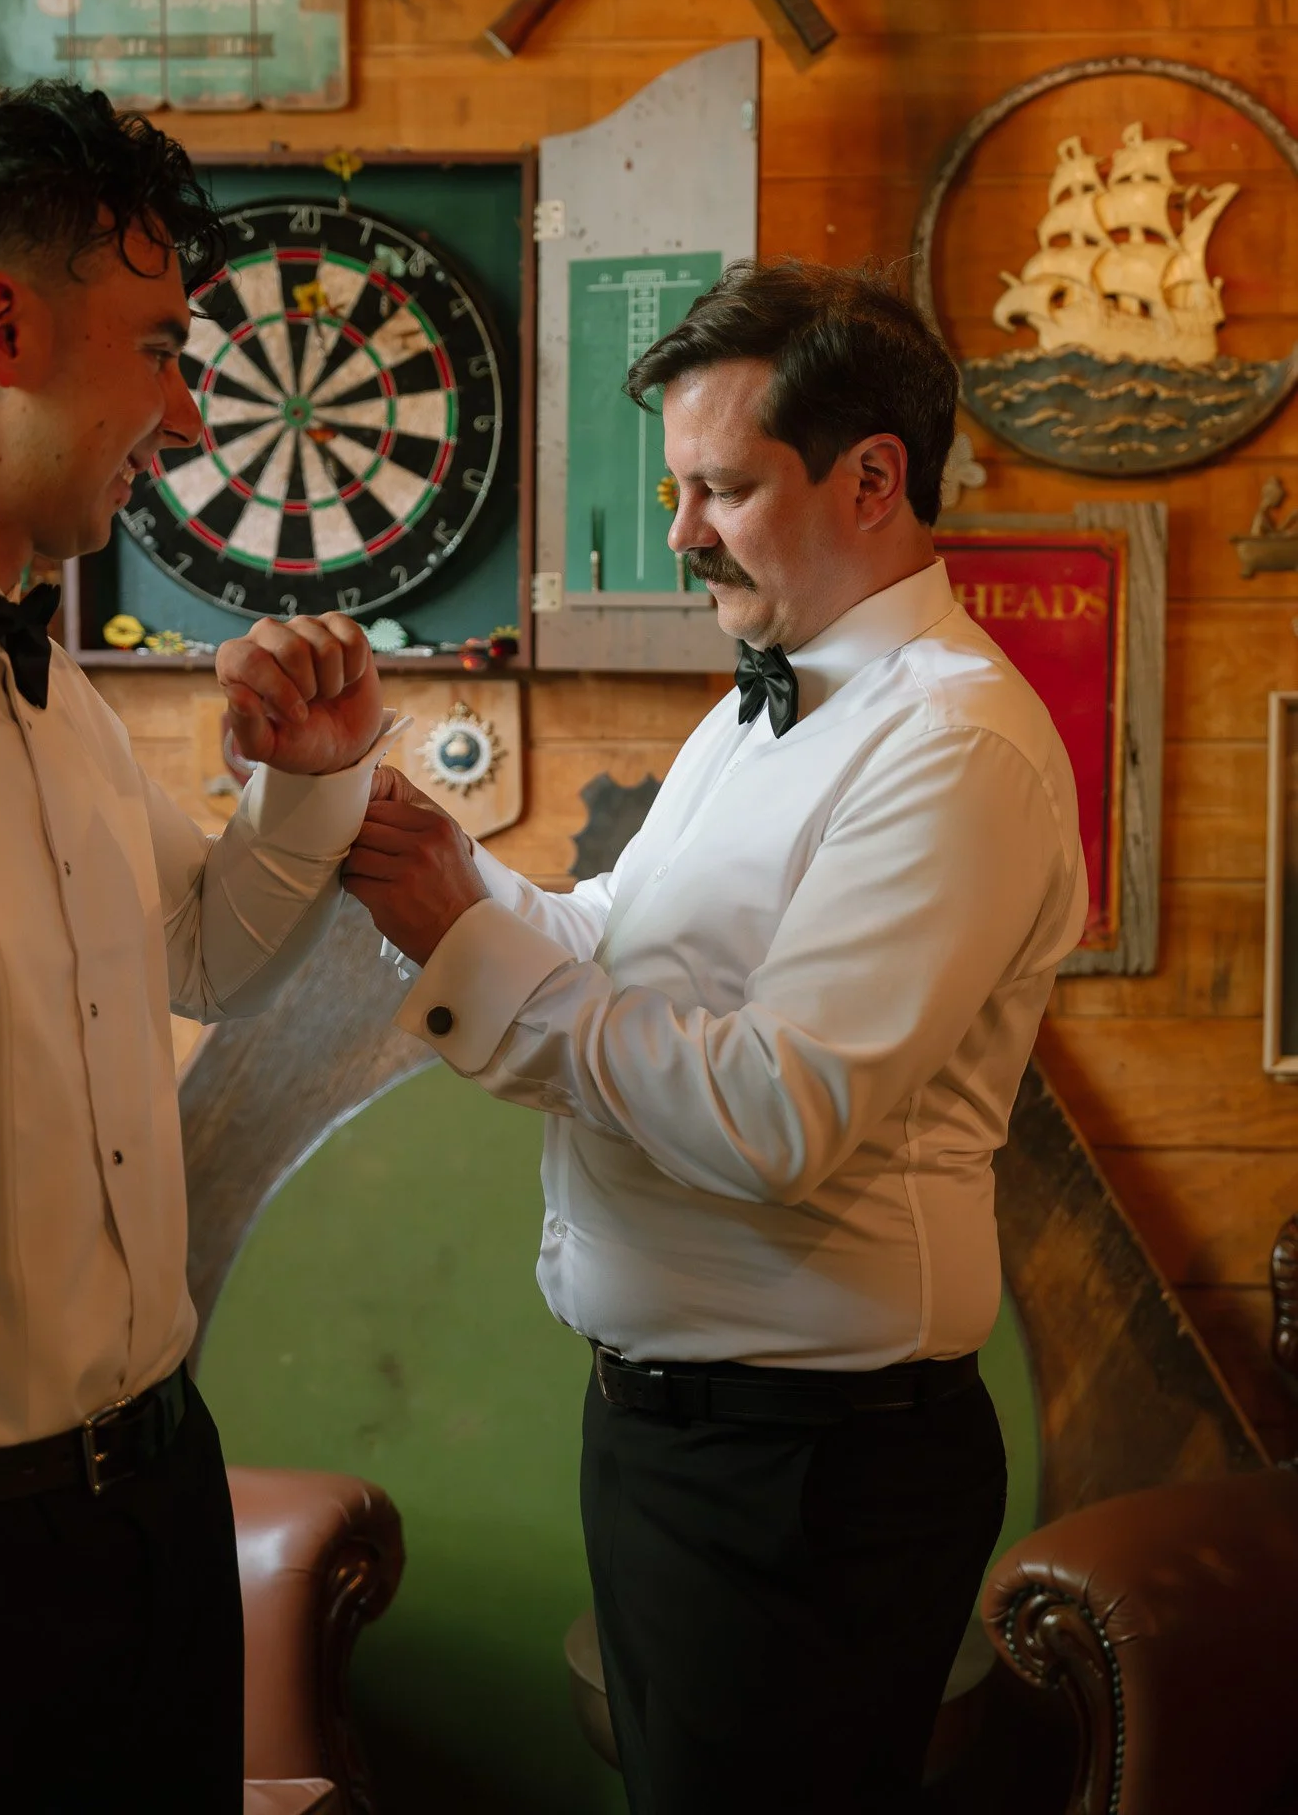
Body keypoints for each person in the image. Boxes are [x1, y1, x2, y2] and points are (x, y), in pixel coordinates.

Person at [345, 259, 1088, 1814]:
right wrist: (430, 857)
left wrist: (463, 949)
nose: (681, 533)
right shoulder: (768, 700)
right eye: (681, 490)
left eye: (722, 489)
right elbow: (615, 937)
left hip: (811, 1476)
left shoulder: (950, 744)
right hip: (690, 1444)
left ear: (874, 477)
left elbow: (776, 1113)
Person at [0, 82, 387, 1813]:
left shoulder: (59, 692)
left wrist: (317, 787)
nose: (189, 410)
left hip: (158, 1500)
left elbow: (203, 953)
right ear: (2, 327)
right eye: (159, 347)